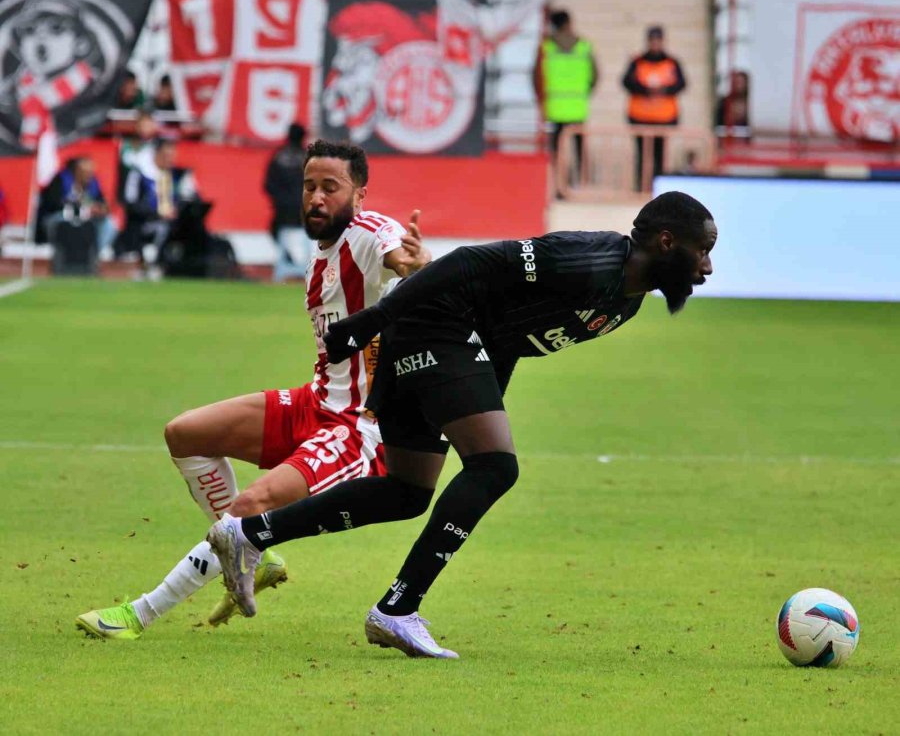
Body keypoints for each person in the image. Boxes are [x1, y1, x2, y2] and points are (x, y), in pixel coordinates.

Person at [206, 191, 717, 659]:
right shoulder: (590, 260)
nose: (708, 267)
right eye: (703, 251)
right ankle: (397, 610)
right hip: (436, 324)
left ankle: (249, 533)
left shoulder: (623, 303)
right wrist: (370, 321)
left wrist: (482, 401)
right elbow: (470, 261)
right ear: (668, 242)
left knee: (407, 492)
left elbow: (511, 334)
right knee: (495, 468)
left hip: (443, 342)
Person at [75, 140, 432, 639]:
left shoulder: (369, 233)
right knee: (186, 434)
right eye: (310, 186)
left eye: (331, 187)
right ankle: (251, 554)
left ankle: (139, 614)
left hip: (355, 428)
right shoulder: (318, 258)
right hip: (315, 400)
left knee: (247, 510)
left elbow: (396, 252)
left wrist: (412, 264)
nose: (317, 197)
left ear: (360, 195)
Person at [532, 9, 598, 192]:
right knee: (579, 150)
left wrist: (542, 101)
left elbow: (537, 78)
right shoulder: (583, 46)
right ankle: (581, 185)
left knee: (556, 151)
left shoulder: (546, 48)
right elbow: (595, 76)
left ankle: (558, 186)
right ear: (569, 23)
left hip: (554, 108)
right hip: (578, 107)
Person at [621, 26, 687, 191]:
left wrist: (664, 90)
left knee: (660, 157)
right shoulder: (637, 62)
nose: (655, 44)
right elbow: (626, 82)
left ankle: (658, 189)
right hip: (640, 117)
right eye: (652, 40)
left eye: (658, 40)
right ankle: (641, 187)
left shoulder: (672, 62)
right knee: (642, 157)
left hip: (664, 118)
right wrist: (645, 90)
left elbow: (681, 84)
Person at [114, 137, 197, 261]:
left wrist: (178, 209)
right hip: (144, 223)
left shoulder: (177, 176)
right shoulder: (139, 174)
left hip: (172, 224)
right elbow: (130, 203)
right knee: (160, 228)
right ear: (156, 153)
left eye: (172, 155)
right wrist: (157, 212)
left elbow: (190, 198)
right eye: (166, 155)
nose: (170, 159)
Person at [35, 156, 117, 255]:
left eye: (91, 171)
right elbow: (52, 205)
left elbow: (101, 203)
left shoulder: (93, 183)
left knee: (108, 224)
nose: (89, 174)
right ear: (76, 170)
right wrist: (83, 209)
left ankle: (91, 255)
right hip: (59, 218)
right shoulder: (60, 180)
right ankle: (66, 255)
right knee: (62, 222)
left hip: (85, 220)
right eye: (85, 171)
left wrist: (102, 209)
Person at [264, 122, 311, 282]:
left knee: (275, 230)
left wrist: (280, 201)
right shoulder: (308, 159)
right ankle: (305, 265)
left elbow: (268, 185)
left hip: (282, 213)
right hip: (304, 213)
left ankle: (288, 258)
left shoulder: (279, 157)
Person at [716, 70, 749, 137]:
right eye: (736, 82)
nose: (739, 85)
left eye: (741, 82)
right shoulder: (724, 102)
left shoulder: (748, 102)